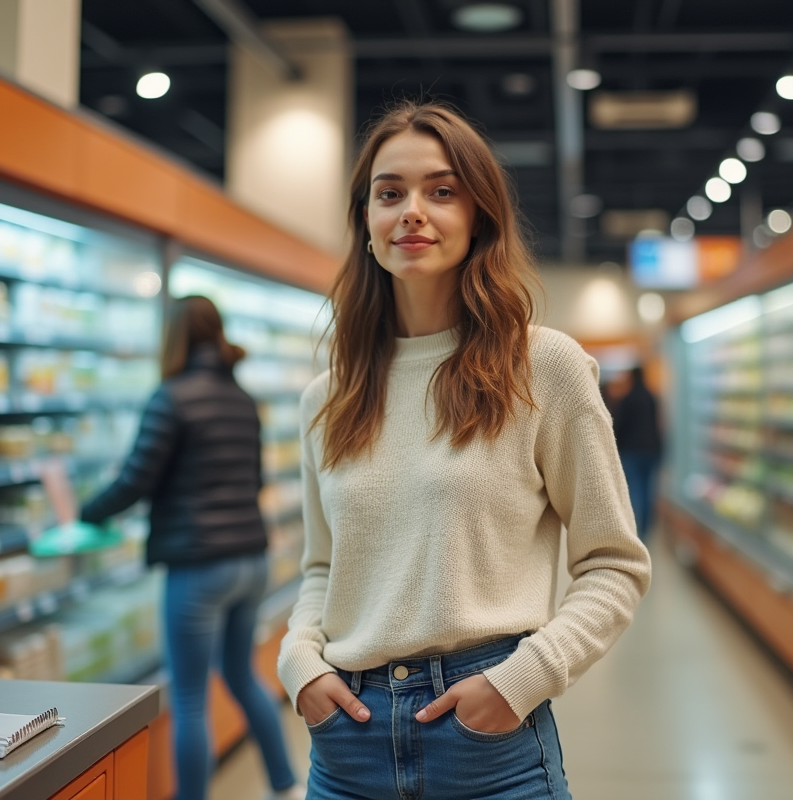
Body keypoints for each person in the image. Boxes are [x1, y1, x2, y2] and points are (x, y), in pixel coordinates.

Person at [277, 100, 652, 800]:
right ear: (366, 220)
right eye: (390, 193)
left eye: (441, 191)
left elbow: (614, 565)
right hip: (345, 746)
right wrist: (300, 664)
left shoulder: (544, 368)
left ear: (479, 215)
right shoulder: (329, 397)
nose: (412, 212)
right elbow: (323, 567)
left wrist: (521, 681)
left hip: (489, 748)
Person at [80, 296, 303, 800]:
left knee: (188, 699)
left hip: (199, 565)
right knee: (243, 675)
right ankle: (286, 785)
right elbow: (255, 480)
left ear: (174, 336)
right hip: (252, 559)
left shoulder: (172, 397)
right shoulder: (242, 399)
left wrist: (86, 514)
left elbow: (135, 479)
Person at [607, 365, 664, 543]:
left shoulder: (627, 399)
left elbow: (619, 426)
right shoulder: (652, 398)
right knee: (648, 490)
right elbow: (658, 425)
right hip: (651, 450)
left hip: (631, 451)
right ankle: (646, 530)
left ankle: (633, 530)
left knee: (633, 490)